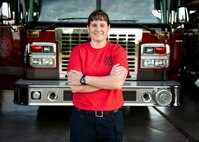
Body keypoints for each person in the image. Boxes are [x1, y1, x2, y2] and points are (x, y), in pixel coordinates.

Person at [67, 9, 129, 142]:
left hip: (111, 120)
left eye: (102, 25)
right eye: (94, 25)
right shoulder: (78, 51)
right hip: (82, 119)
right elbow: (75, 87)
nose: (98, 29)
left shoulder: (118, 51)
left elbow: (117, 84)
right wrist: (108, 81)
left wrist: (84, 79)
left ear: (108, 28)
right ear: (88, 28)